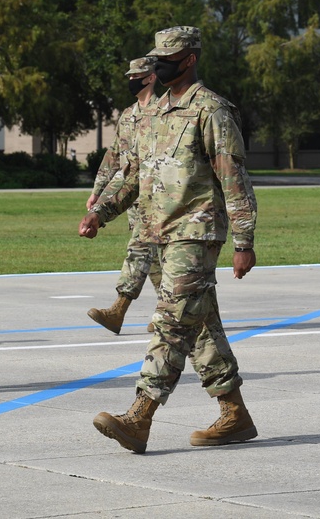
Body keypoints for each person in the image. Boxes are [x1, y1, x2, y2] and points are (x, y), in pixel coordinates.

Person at [79, 26, 258, 454]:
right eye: (156, 57)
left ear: (191, 58)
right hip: (158, 233)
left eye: (169, 57)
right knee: (201, 328)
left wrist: (244, 240)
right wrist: (100, 212)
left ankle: (140, 416)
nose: (160, 65)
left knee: (171, 324)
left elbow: (233, 178)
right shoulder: (155, 113)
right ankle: (235, 414)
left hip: (196, 233)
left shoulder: (210, 110)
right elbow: (137, 176)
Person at [85, 56, 161, 335]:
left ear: (151, 77)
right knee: (153, 260)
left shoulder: (164, 111)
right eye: (129, 76)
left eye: (136, 76)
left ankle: (119, 310)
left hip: (157, 197)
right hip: (131, 198)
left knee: (140, 251)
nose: (131, 80)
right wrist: (97, 193)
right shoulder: (128, 115)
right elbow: (114, 157)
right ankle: (168, 313)